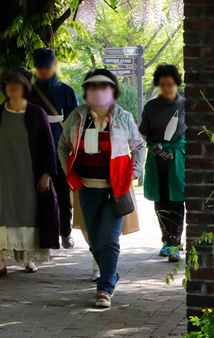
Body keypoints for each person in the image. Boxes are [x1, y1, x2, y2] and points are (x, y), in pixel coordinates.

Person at [57, 69, 146, 308]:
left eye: (103, 87)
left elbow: (139, 146)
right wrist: (70, 174)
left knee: (108, 239)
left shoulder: (123, 117)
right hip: (85, 188)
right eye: (92, 87)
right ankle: (111, 274)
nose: (97, 92)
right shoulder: (76, 117)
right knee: (94, 241)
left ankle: (105, 288)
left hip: (115, 191)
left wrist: (134, 173)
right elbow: (63, 146)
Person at [0, 69, 60, 276]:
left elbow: (48, 146)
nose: (13, 87)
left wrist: (46, 175)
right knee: (0, 213)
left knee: (28, 213)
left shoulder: (36, 114)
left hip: (28, 176)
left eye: (18, 83)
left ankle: (29, 260)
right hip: (1, 177)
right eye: (9, 83)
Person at [30, 47, 79, 248]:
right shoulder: (29, 90)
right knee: (39, 194)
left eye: (47, 67)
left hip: (61, 150)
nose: (44, 71)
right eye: (40, 67)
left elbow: (75, 121)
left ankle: (65, 230)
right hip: (36, 150)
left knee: (62, 193)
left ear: (54, 65)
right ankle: (44, 237)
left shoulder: (67, 91)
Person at [140, 64, 186, 262]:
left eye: (171, 84)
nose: (167, 88)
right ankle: (166, 241)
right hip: (157, 158)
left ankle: (176, 243)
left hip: (178, 159)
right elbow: (143, 133)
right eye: (163, 84)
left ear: (177, 83)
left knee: (177, 199)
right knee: (161, 201)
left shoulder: (185, 105)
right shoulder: (151, 106)